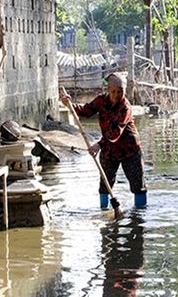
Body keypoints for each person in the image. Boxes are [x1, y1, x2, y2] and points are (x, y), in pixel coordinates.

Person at [60, 72, 147, 208]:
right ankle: (104, 211)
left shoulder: (125, 108)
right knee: (105, 185)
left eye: (120, 91)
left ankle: (139, 216)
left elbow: (114, 133)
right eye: (113, 91)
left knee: (138, 186)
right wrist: (69, 105)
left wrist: (98, 145)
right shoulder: (101, 101)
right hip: (109, 150)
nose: (117, 95)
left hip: (129, 150)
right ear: (108, 90)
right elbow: (85, 111)